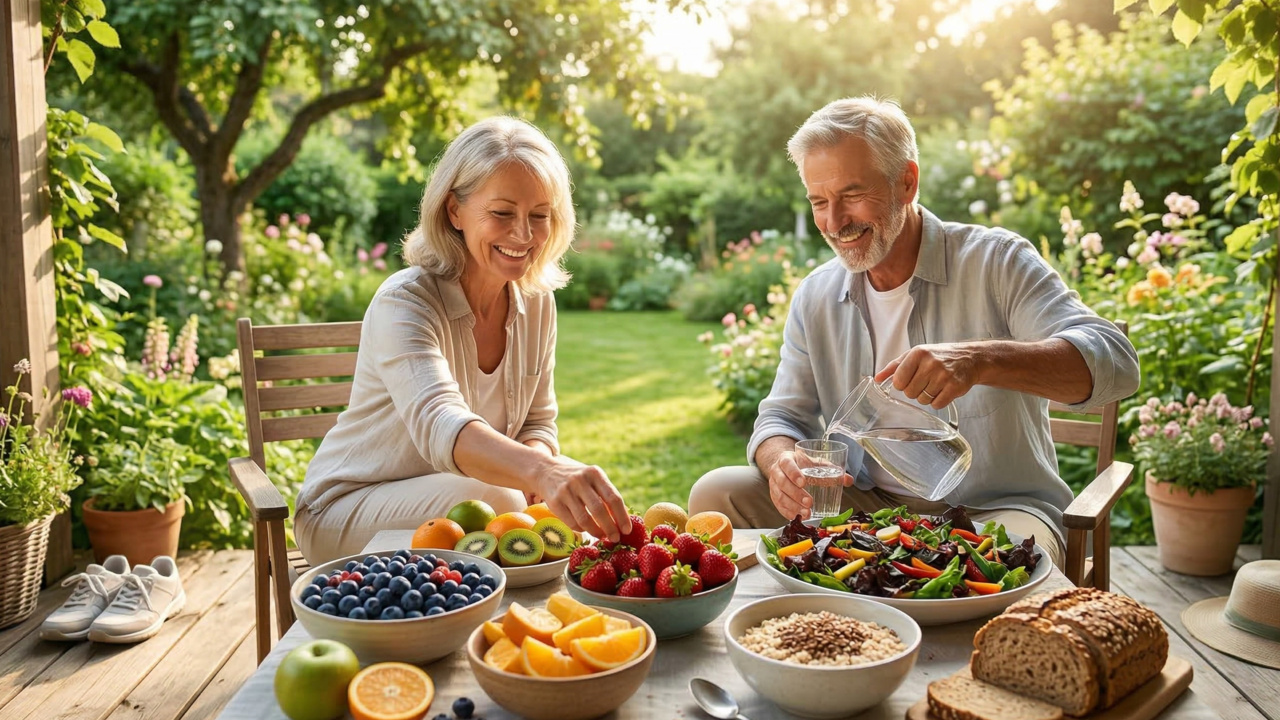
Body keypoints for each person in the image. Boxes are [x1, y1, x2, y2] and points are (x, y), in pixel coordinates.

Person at [688, 96, 1140, 568]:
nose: (835, 222)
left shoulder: (997, 261)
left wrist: (981, 360)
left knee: (1014, 563)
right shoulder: (816, 296)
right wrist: (780, 461)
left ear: (907, 182)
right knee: (717, 494)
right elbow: (780, 418)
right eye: (820, 201)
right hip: (863, 510)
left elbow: (1117, 363)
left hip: (995, 513)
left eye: (852, 195)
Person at [296, 116, 631, 564]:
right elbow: (442, 425)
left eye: (539, 216)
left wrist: (539, 474)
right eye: (501, 213)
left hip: (463, 503)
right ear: (454, 210)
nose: (524, 235)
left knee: (531, 513)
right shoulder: (405, 302)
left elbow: (537, 422)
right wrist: (544, 472)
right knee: (504, 505)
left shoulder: (537, 301)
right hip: (345, 511)